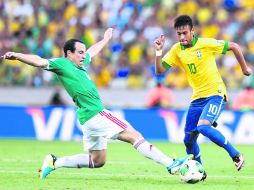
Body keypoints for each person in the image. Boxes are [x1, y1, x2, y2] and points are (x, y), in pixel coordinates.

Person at [1, 28, 192, 179]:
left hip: (87, 118)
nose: (84, 56)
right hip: (97, 113)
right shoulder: (62, 64)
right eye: (79, 53)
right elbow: (39, 61)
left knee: (97, 160)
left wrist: (106, 39)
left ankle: (54, 162)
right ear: (68, 53)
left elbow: (93, 51)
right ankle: (171, 164)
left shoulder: (80, 66)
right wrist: (17, 55)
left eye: (84, 53)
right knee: (135, 136)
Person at [154, 15, 252, 180]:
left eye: (185, 33)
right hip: (197, 98)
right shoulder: (176, 50)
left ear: (192, 30)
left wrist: (244, 69)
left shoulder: (206, 44)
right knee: (188, 141)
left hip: (216, 93)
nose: (182, 37)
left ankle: (236, 155)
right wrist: (158, 51)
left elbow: (234, 46)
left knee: (204, 127)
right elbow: (159, 71)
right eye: (179, 34)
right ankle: (201, 172)